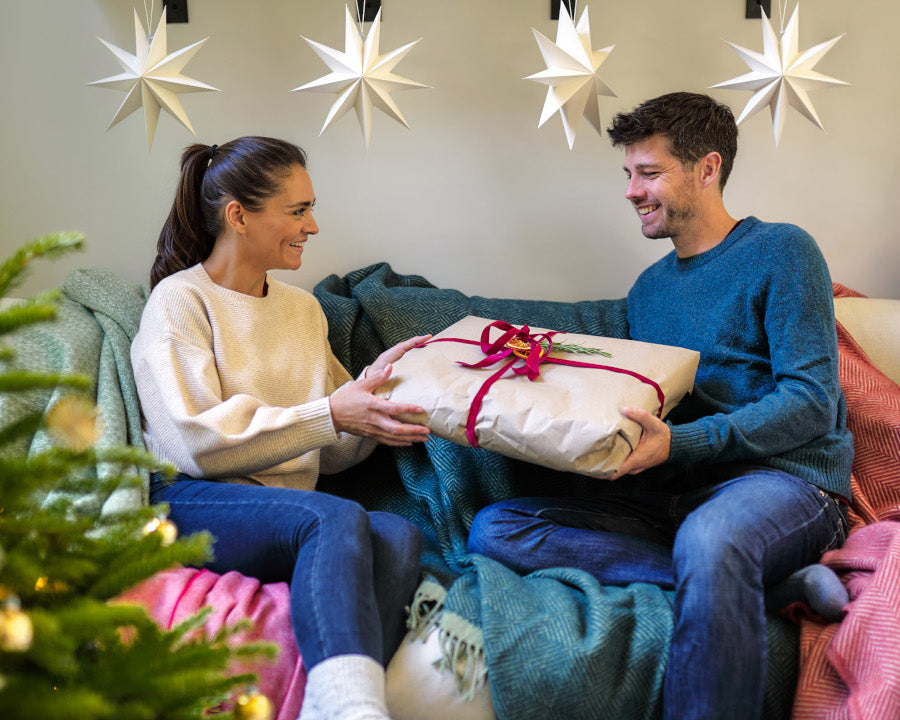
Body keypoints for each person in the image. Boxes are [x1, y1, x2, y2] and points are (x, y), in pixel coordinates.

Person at [467, 93, 853, 720]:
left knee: (715, 536)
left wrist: (684, 444)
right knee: (498, 529)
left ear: (707, 168)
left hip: (784, 486)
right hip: (673, 497)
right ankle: (767, 589)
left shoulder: (783, 250)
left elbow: (810, 402)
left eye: (648, 173)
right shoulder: (646, 292)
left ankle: (725, 571)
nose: (630, 190)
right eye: (628, 174)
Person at [131, 136, 432, 720]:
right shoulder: (180, 301)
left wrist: (371, 402)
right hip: (191, 498)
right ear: (238, 216)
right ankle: (354, 711)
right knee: (335, 515)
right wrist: (330, 413)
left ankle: (326, 706)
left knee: (398, 536)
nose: (313, 226)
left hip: (285, 512)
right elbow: (194, 443)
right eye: (298, 211)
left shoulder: (302, 310)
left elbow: (334, 450)